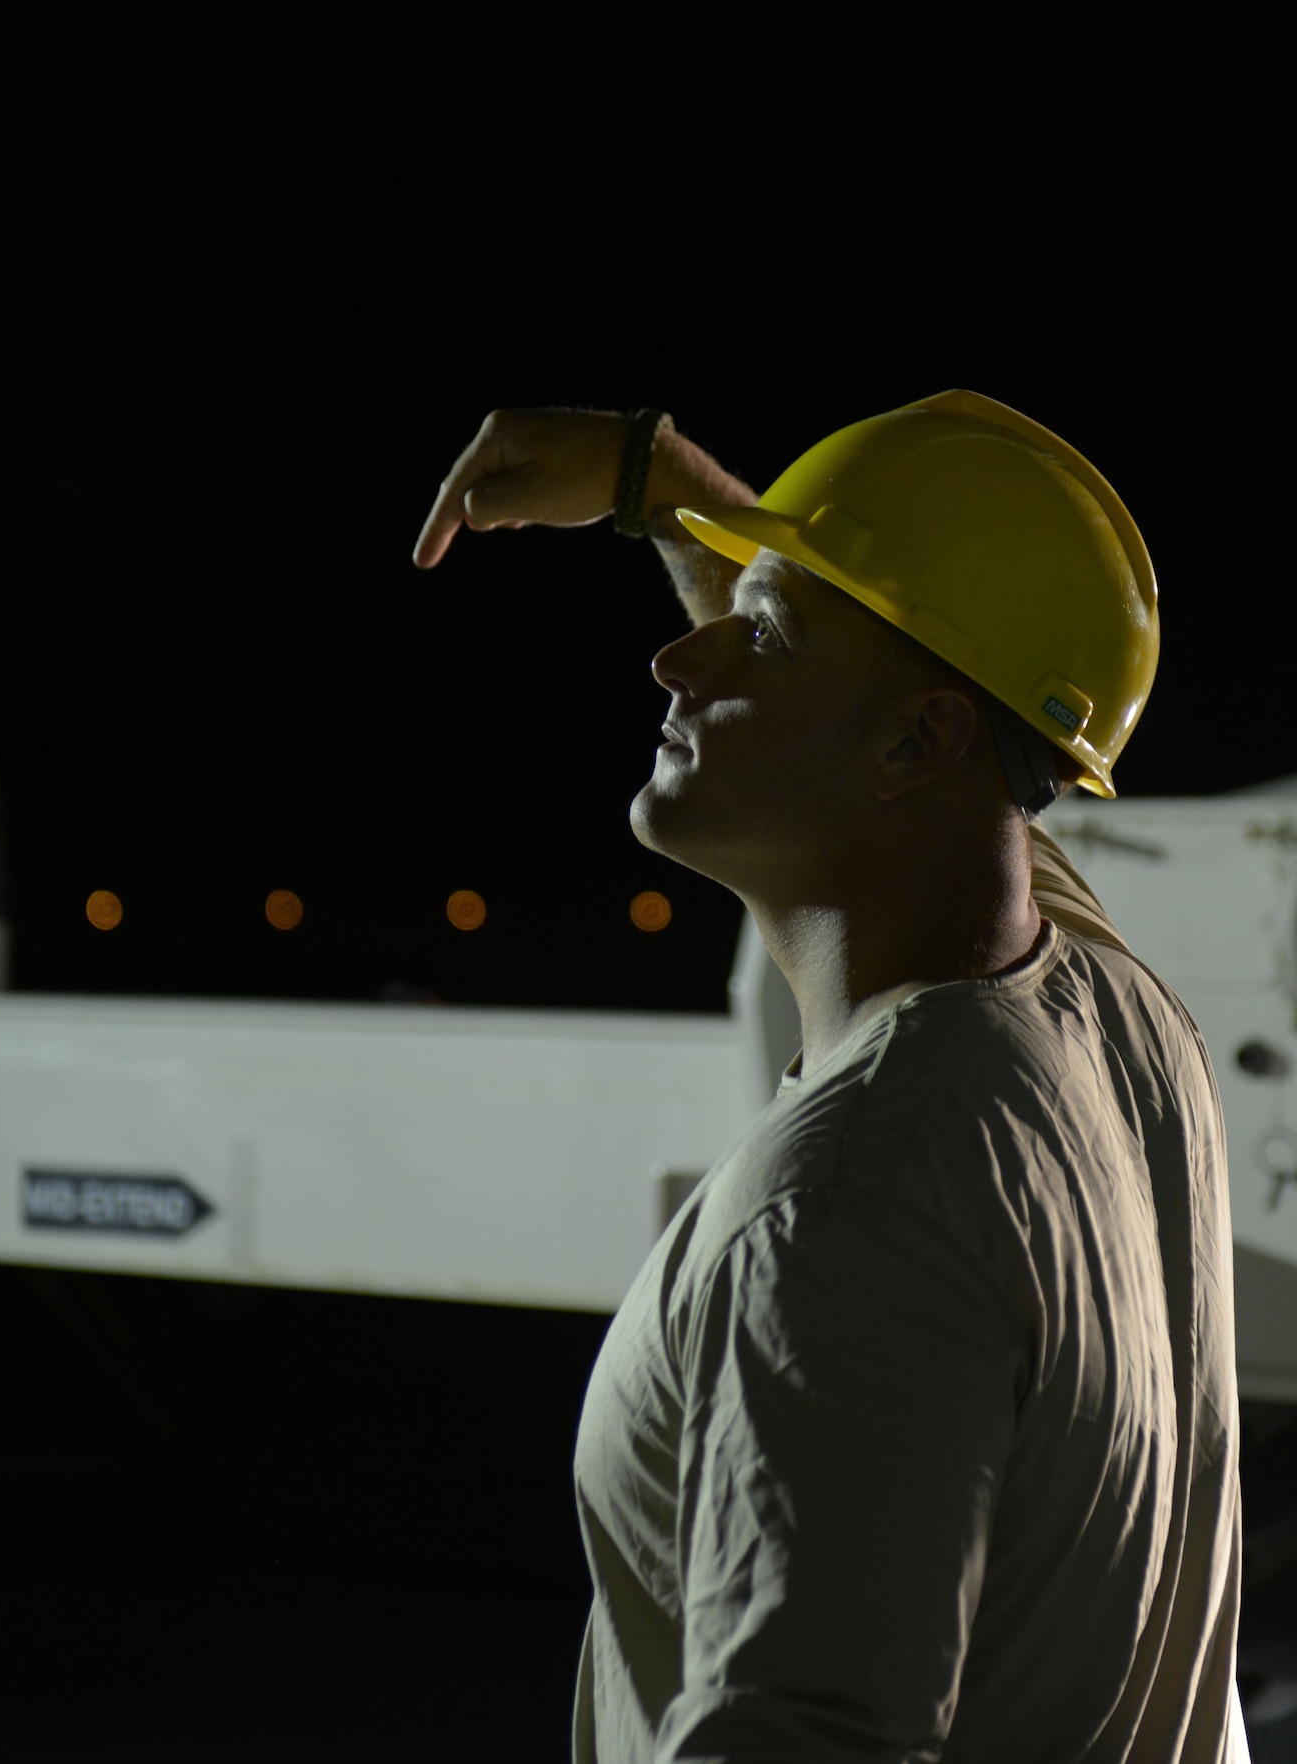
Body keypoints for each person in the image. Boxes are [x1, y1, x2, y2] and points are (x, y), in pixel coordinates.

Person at [413, 398, 1246, 1761]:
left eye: (756, 638)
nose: (677, 660)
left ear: (918, 744)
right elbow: (963, 771)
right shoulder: (1116, 1018)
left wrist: (669, 495)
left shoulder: (851, 1209)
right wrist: (660, 485)